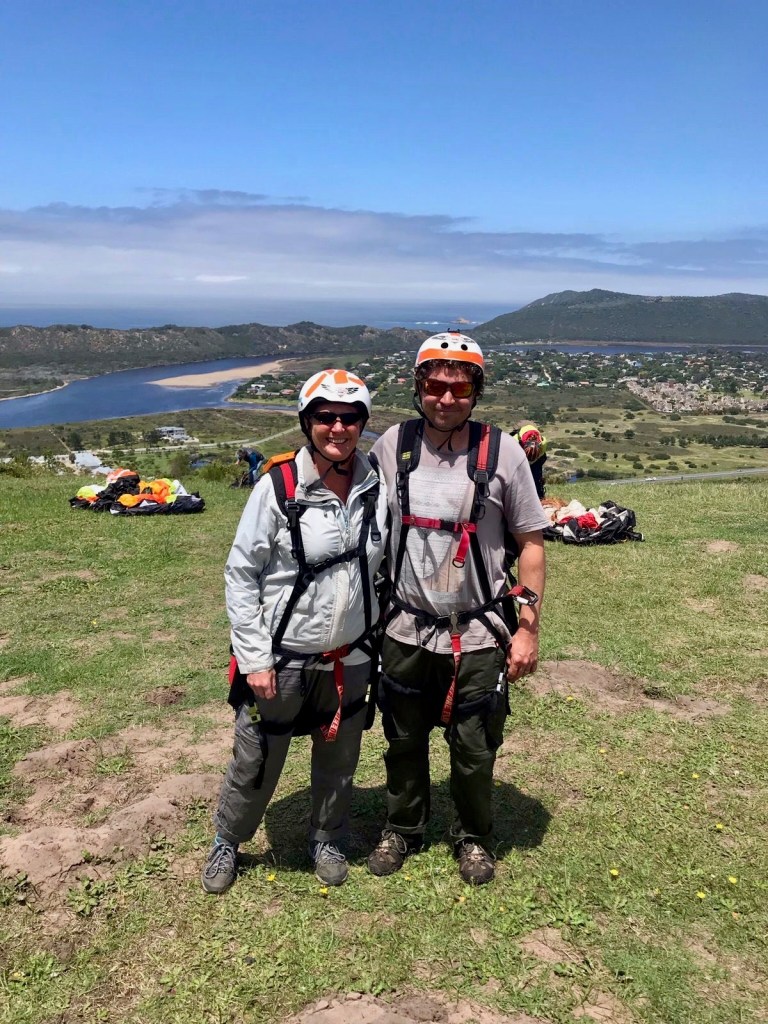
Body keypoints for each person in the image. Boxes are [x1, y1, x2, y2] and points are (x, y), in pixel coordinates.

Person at [367, 332, 548, 886]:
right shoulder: (391, 446)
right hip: (404, 625)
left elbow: (532, 542)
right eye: (435, 386)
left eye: (460, 388)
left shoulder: (503, 453)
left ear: (476, 392)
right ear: (417, 387)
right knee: (402, 736)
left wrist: (529, 628)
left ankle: (473, 837)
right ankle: (404, 826)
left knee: (473, 744)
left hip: (477, 629)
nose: (446, 398)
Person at [202, 370, 388, 894]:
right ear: (308, 423)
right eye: (326, 417)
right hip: (283, 654)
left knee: (341, 755)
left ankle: (327, 836)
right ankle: (228, 840)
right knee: (257, 754)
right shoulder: (279, 487)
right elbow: (242, 573)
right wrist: (255, 657)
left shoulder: (377, 487)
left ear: (361, 424)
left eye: (349, 418)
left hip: (349, 653)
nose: (338, 428)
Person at [511, 422, 547, 499]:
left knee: (536, 474)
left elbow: (543, 458)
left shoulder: (542, 444)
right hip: (520, 426)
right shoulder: (514, 442)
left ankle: (539, 495)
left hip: (532, 427)